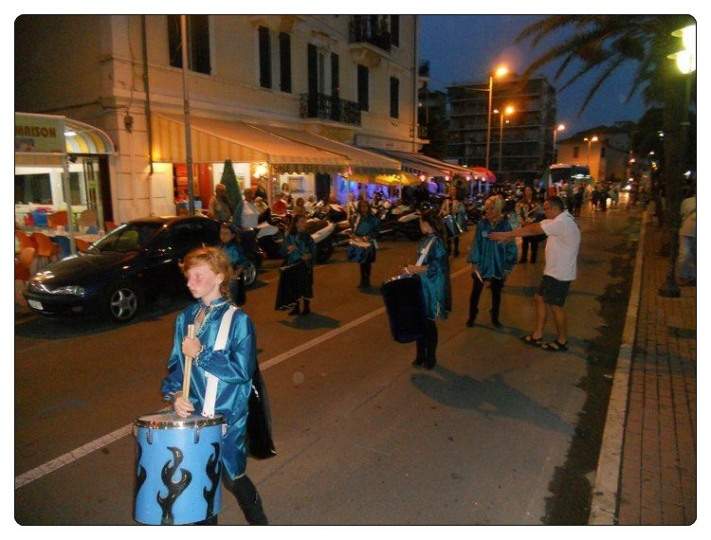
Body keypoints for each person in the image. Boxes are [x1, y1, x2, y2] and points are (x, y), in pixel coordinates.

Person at [160, 246, 268, 525]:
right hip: (195, 416)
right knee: (197, 480)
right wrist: (176, 395)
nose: (190, 282)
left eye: (198, 275)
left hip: (228, 416)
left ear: (219, 277)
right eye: (188, 276)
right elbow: (176, 366)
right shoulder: (185, 318)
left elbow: (242, 371)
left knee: (232, 476)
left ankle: (260, 523)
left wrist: (202, 353)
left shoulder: (238, 321)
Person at [489, 196, 580, 352]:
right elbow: (537, 225)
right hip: (552, 271)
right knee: (539, 298)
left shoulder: (562, 223)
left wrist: (508, 234)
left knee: (556, 306)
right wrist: (520, 227)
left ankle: (562, 340)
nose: (544, 212)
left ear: (555, 209)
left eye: (546, 209)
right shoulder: (559, 219)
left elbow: (534, 230)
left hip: (559, 274)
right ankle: (538, 334)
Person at [403, 207, 449, 369]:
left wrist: (414, 269)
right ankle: (420, 355)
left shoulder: (436, 243)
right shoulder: (428, 240)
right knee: (420, 322)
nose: (419, 226)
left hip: (430, 288)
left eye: (420, 223)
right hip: (422, 286)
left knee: (429, 324)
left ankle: (431, 357)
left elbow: (437, 268)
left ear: (426, 224)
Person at [467, 195, 517, 328]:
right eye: (487, 208)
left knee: (496, 293)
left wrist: (507, 265)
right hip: (482, 266)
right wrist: (475, 262)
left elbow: (511, 246)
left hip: (497, 266)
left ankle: (495, 317)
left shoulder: (505, 225)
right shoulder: (482, 224)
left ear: (498, 209)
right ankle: (472, 315)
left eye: (491, 208)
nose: (488, 211)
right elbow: (476, 243)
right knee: (475, 292)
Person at [275, 214, 316, 315]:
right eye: (302, 221)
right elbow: (282, 251)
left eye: (305, 221)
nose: (304, 224)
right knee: (293, 286)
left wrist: (309, 255)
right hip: (292, 263)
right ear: (296, 223)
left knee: (305, 285)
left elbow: (313, 249)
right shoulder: (289, 236)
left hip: (304, 264)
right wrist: (287, 248)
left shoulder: (307, 237)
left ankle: (306, 307)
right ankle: (296, 307)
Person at [346, 199, 381, 289]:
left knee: (367, 262)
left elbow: (376, 231)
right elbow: (354, 229)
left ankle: (367, 281)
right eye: (362, 206)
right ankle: (363, 280)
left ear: (368, 207)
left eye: (365, 206)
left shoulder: (373, 219)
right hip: (360, 242)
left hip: (368, 242)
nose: (363, 208)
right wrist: (352, 234)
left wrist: (370, 236)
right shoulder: (357, 218)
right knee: (361, 262)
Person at [218, 222, 250, 306]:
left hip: (229, 280)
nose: (223, 235)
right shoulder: (220, 246)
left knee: (230, 304)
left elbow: (244, 261)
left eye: (226, 233)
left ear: (233, 235)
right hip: (219, 278)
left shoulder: (235, 248)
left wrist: (236, 274)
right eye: (221, 233)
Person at [515, 186, 542, 263]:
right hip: (524, 224)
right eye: (526, 190)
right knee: (525, 241)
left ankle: (533, 258)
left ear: (532, 191)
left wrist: (532, 220)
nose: (528, 192)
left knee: (534, 241)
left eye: (529, 190)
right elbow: (518, 213)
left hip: (534, 224)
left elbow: (539, 213)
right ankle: (523, 258)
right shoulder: (521, 202)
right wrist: (522, 221)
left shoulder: (536, 202)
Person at [678, 187, 696, 286]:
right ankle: (683, 275)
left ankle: (693, 277)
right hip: (686, 232)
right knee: (685, 254)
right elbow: (682, 215)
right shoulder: (687, 202)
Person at [439, 186, 462, 256]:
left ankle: (456, 249)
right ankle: (449, 248)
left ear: (456, 191)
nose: (452, 191)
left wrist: (456, 210)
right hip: (447, 218)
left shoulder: (459, 200)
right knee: (448, 235)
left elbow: (462, 209)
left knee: (456, 235)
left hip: (456, 218)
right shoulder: (446, 200)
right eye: (451, 189)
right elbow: (442, 209)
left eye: (454, 189)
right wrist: (444, 212)